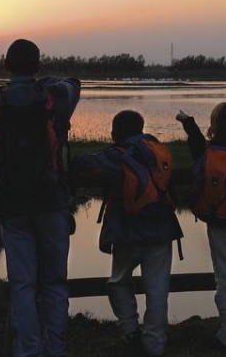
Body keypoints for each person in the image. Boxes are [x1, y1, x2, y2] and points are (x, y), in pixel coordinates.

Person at [0, 38, 81, 357]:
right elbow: (74, 82)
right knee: (55, 284)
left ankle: (28, 352)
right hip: (52, 202)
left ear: (6, 65)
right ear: (38, 64)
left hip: (13, 205)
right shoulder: (56, 96)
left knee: (22, 286)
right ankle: (56, 349)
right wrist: (42, 81)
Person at [71, 110, 183, 357]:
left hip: (128, 230)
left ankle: (131, 331)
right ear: (142, 128)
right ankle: (155, 345)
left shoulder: (116, 155)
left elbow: (85, 165)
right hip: (162, 230)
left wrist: (70, 158)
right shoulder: (158, 150)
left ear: (115, 132)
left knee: (119, 281)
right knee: (158, 290)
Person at [176, 103, 226, 350]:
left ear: (215, 126)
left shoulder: (207, 151)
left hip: (218, 222)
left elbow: (195, 143)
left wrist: (187, 121)